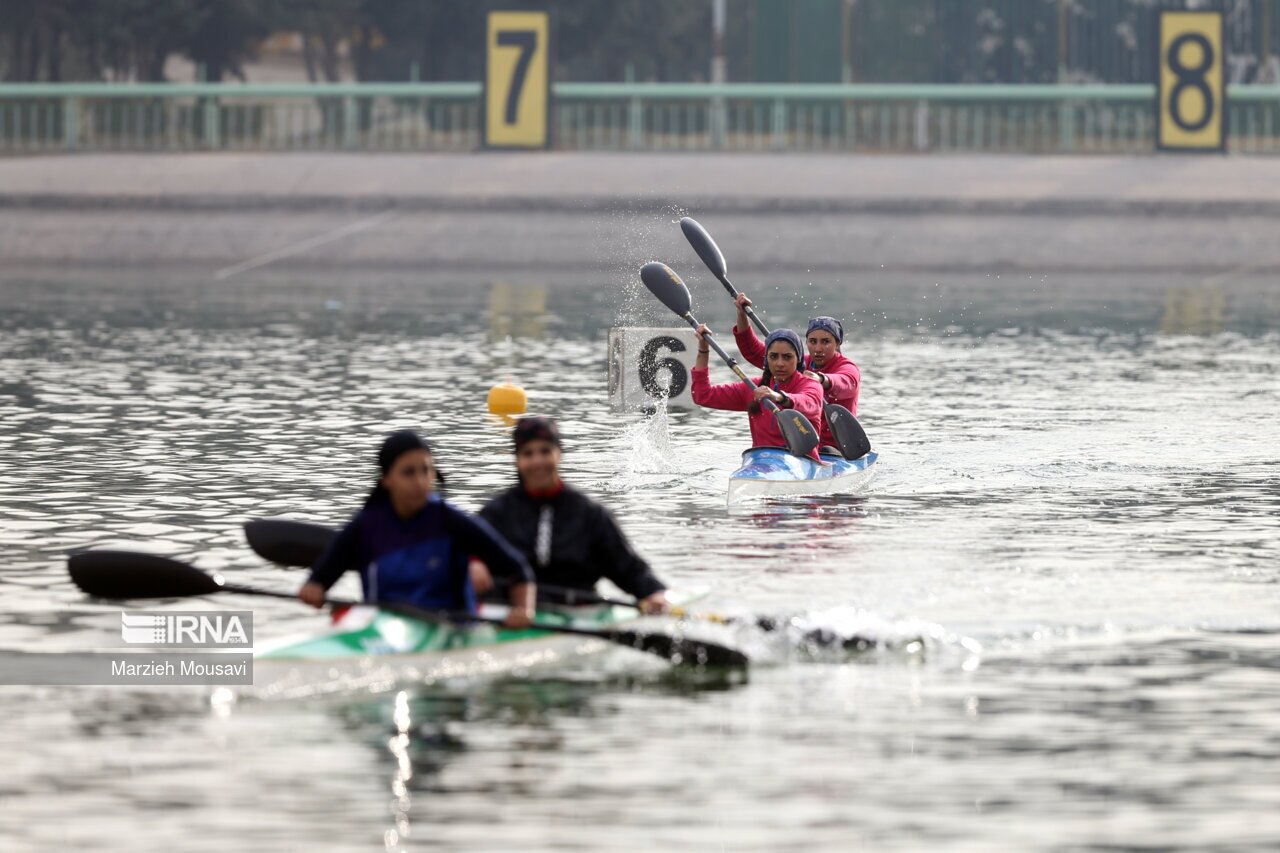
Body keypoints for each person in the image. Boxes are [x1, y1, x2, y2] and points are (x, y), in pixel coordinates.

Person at [298, 430, 536, 629]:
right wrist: (313, 589)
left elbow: (518, 570)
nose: (420, 482)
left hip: (452, 629)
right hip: (384, 629)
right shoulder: (365, 525)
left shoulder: (451, 521)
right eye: (408, 473)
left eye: (426, 470)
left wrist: (523, 610)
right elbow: (320, 580)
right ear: (387, 480)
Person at [475, 417, 669, 614]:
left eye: (545, 451)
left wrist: (652, 592)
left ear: (559, 454)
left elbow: (626, 566)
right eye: (528, 454)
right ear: (517, 460)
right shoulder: (496, 513)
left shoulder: (590, 514)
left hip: (577, 611)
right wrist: (472, 563)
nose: (537, 461)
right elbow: (460, 553)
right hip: (510, 613)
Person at [733, 293, 861, 453]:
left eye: (826, 342)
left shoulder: (847, 368)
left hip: (836, 449)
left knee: (827, 450)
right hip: (800, 444)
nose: (818, 348)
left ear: (838, 343)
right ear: (806, 342)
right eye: (813, 342)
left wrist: (822, 378)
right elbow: (753, 352)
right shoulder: (796, 363)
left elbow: (844, 382)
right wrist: (742, 315)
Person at [690, 324, 825, 462]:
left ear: (798, 359)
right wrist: (703, 349)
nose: (779, 363)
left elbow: (807, 402)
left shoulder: (811, 385)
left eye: (787, 357)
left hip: (804, 463)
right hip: (761, 463)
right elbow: (702, 395)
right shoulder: (754, 388)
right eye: (773, 356)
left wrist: (778, 396)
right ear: (766, 359)